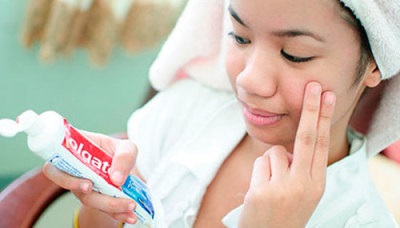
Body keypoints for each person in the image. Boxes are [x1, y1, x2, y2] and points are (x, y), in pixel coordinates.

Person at [42, 0, 400, 227]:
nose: (249, 79)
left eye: (294, 54)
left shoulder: (361, 219)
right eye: (240, 37)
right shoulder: (181, 111)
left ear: (373, 64)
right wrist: (105, 208)